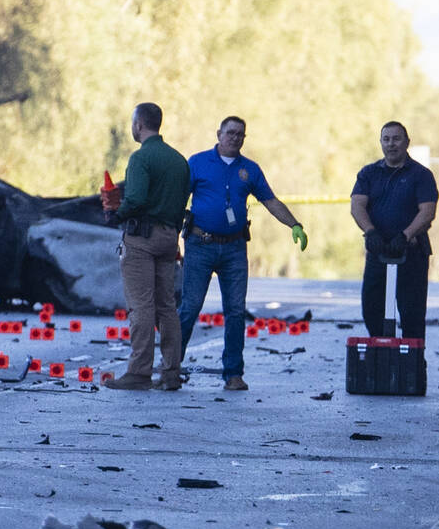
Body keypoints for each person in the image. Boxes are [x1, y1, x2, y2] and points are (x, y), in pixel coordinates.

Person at [176, 116, 308, 391]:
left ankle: (233, 373)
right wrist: (168, 235)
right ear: (219, 134)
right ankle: (170, 368)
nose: (235, 138)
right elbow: (176, 199)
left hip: (235, 248)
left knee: (235, 311)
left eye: (240, 135)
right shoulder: (197, 163)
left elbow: (270, 200)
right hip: (200, 244)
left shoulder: (250, 169)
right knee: (189, 307)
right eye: (230, 133)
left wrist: (294, 224)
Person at [101, 102, 191, 391]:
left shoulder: (141, 159)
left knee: (141, 306)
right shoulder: (179, 161)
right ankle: (171, 373)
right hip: (169, 238)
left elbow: (137, 198)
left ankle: (139, 372)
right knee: (167, 306)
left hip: (141, 239)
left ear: (139, 125)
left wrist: (117, 214)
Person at [350, 121, 438, 339]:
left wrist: (406, 235)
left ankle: (413, 367)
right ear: (380, 142)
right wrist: (370, 232)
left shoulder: (421, 175)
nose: (391, 144)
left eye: (396, 139)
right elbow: (357, 205)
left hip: (411, 253)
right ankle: (381, 357)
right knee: (371, 310)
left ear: (407, 142)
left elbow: (427, 211)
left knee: (412, 315)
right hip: (378, 250)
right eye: (386, 139)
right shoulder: (368, 173)